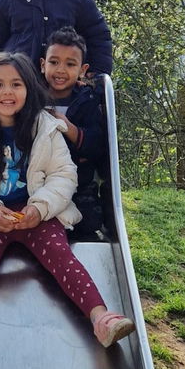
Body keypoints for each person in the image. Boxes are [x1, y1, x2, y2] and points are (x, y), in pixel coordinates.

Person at [0, 52, 135, 360]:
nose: (8, 92)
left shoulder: (46, 127)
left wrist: (40, 208)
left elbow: (64, 175)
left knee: (61, 254)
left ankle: (101, 317)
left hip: (36, 213)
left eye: (16, 84)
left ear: (29, 89)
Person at [41, 27, 107, 238]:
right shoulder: (33, 98)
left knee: (88, 223)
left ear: (82, 69)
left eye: (70, 64)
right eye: (54, 62)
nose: (61, 70)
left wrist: (68, 127)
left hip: (79, 181)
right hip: (41, 179)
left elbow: (97, 145)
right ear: (43, 65)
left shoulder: (87, 100)